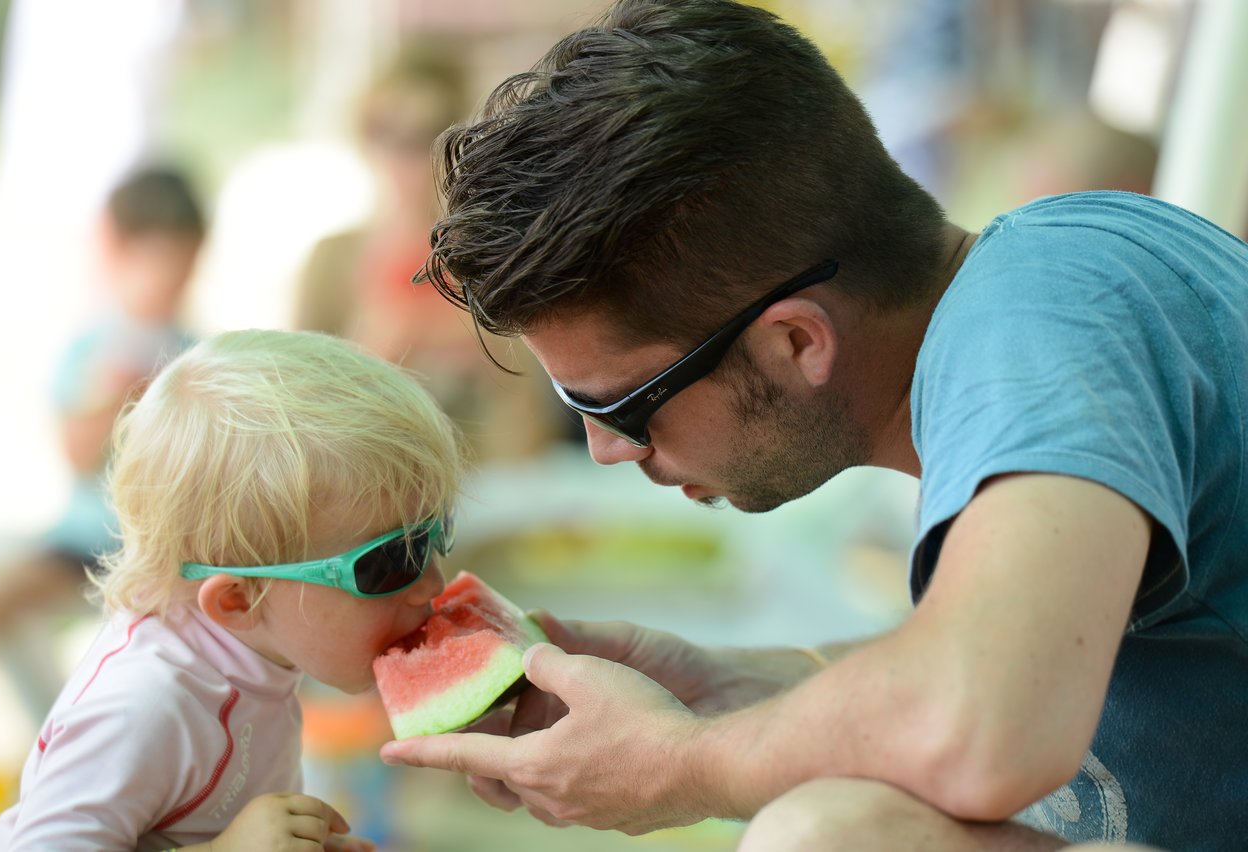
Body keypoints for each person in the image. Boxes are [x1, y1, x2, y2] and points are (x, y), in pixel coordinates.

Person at [376, 1, 1248, 850]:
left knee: (823, 836)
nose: (608, 451)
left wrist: (679, 764)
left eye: (623, 406)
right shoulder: (1042, 281)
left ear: (796, 340)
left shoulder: (1041, 325)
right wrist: (735, 688)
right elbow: (1000, 662)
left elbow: (981, 728)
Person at [0, 328, 465, 851]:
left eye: (433, 533)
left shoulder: (260, 649)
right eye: (388, 561)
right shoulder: (144, 703)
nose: (433, 584)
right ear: (238, 601)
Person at [294, 42, 571, 461]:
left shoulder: (498, 255)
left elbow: (538, 415)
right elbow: (296, 410)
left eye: (429, 134)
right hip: (376, 481)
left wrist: (485, 345)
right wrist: (368, 356)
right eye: (387, 131)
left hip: (488, 479)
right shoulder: (331, 261)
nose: (408, 155)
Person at [0, 165, 204, 656]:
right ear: (117, 252)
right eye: (156, 263)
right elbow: (76, 453)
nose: (168, 283)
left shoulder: (200, 355)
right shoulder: (92, 349)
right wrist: (121, 390)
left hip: (171, 552)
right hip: (81, 543)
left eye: (181, 268)